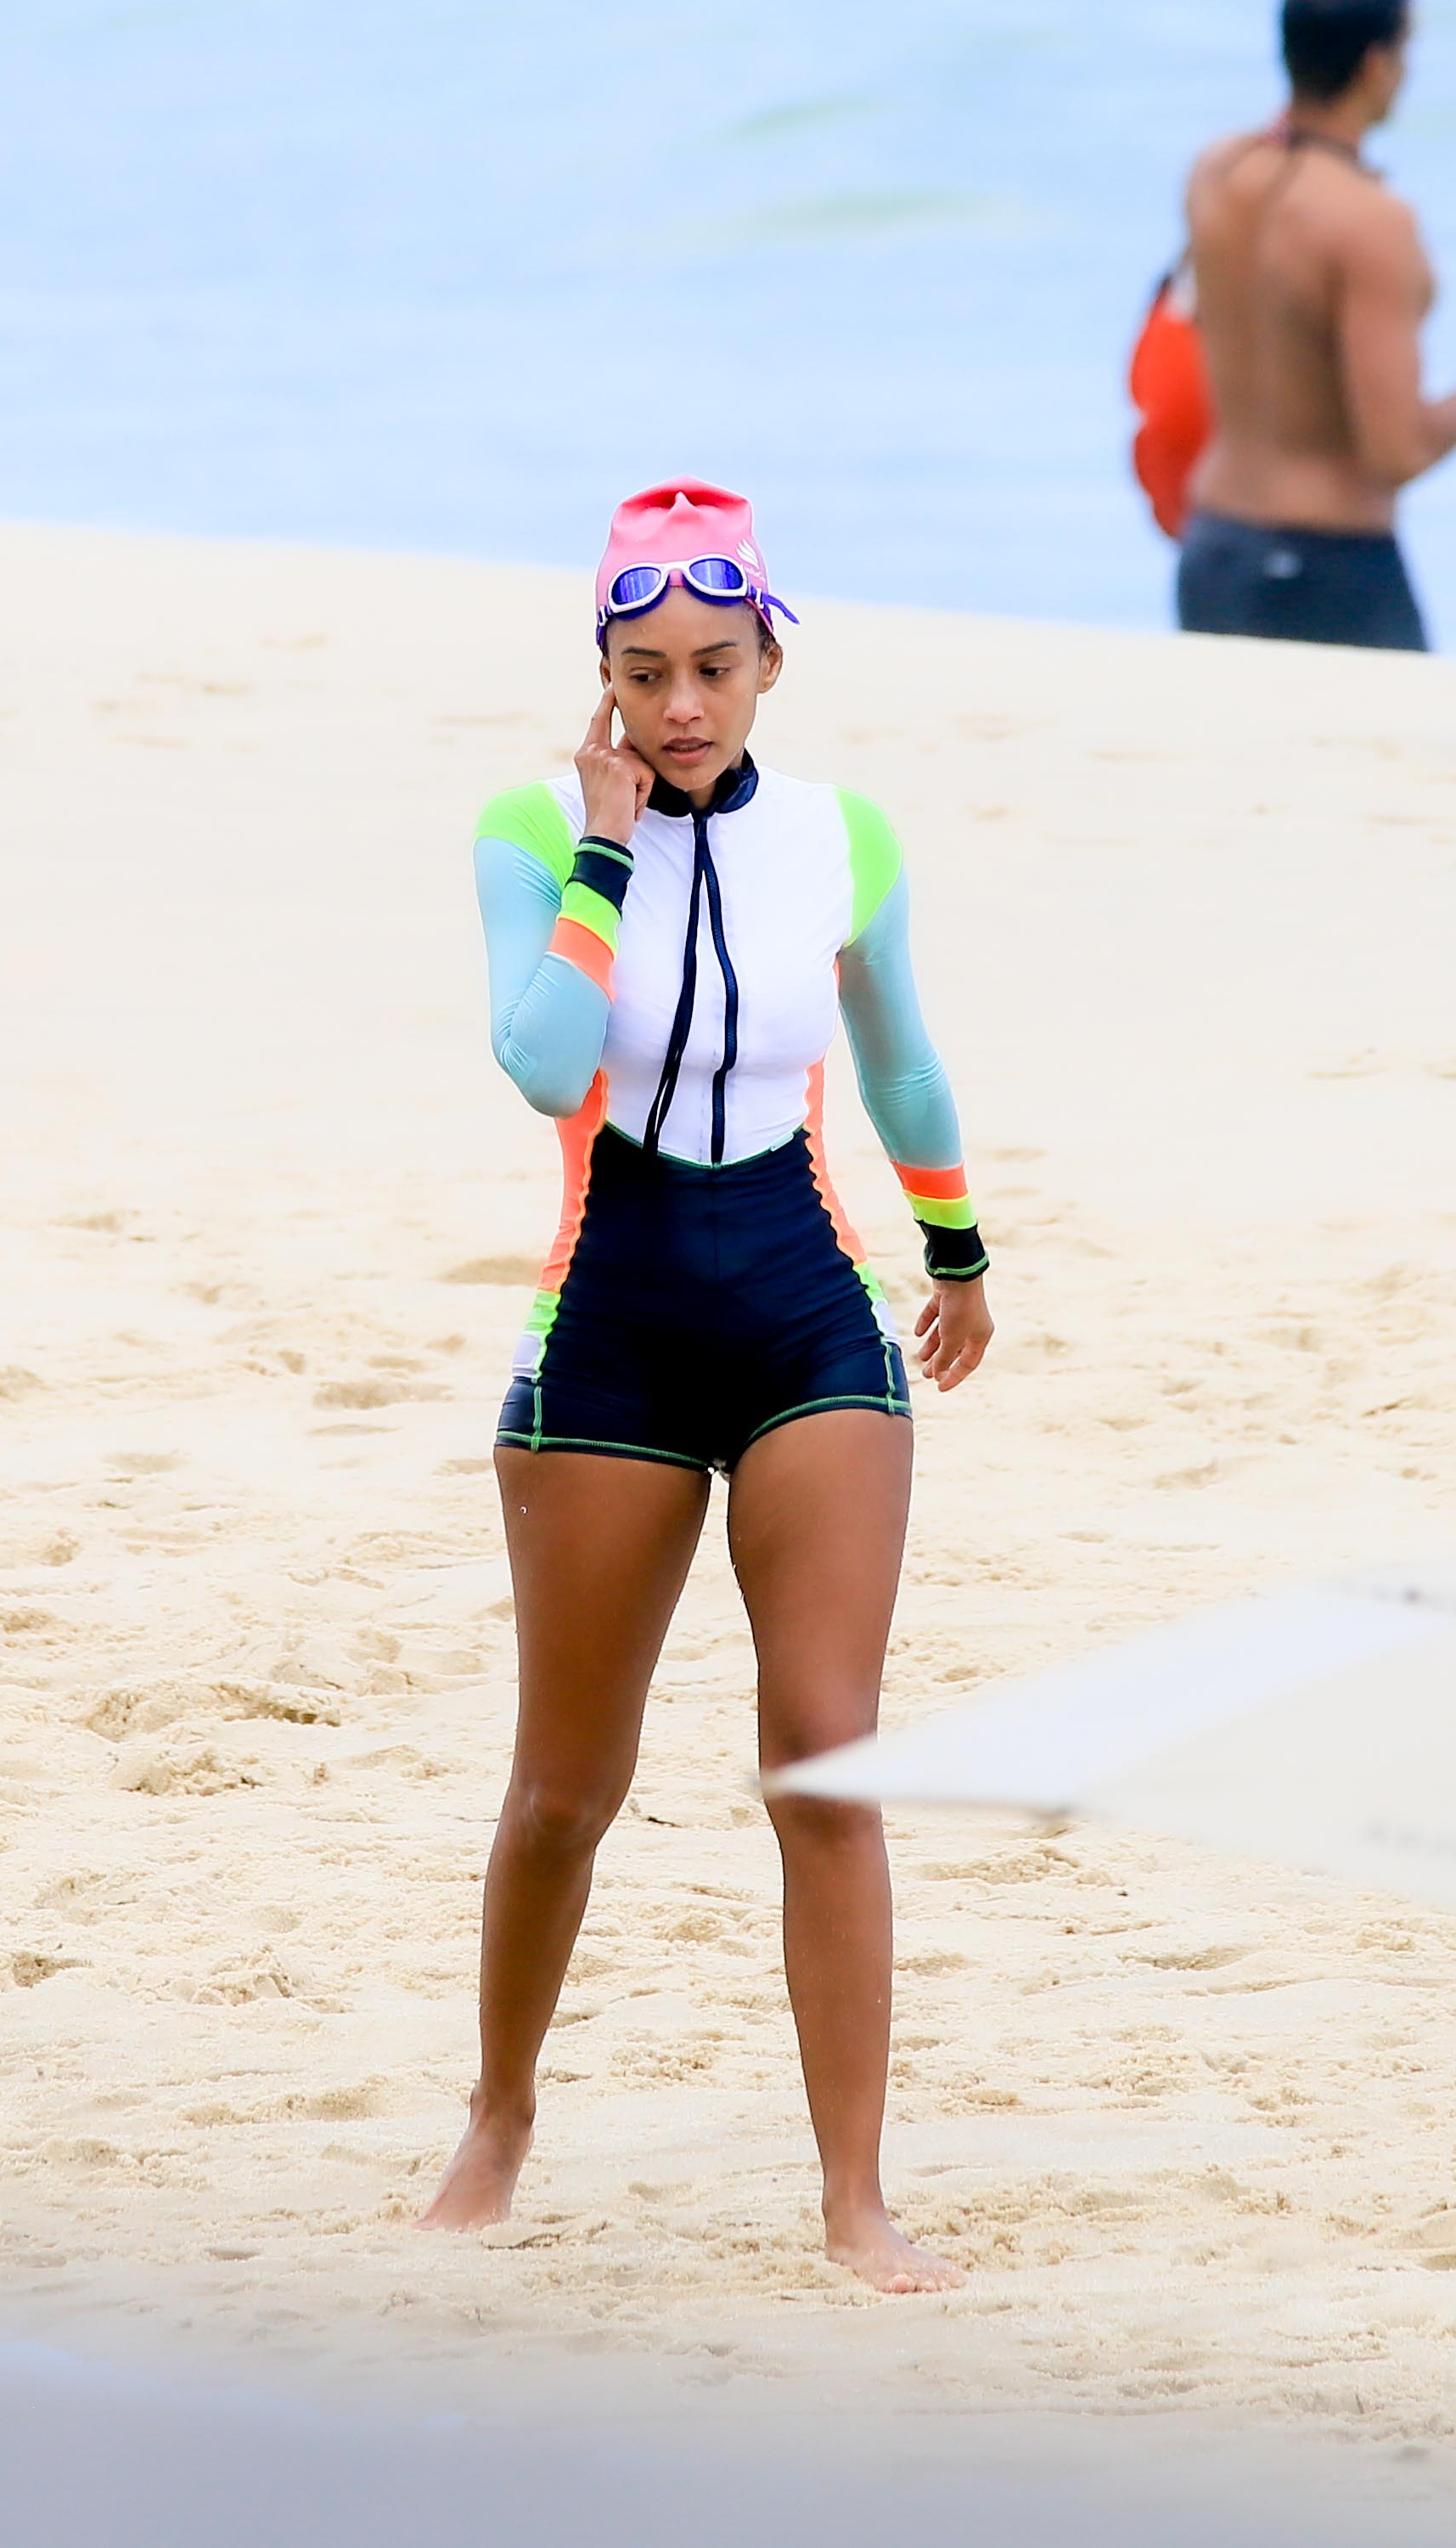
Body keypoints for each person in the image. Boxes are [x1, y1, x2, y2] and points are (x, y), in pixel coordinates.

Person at [419, 480, 996, 2295]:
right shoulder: (527, 824)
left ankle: (853, 2192)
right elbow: (538, 1059)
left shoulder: (841, 837)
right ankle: (499, 2110)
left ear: (768, 664)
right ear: (601, 668)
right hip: (606, 1330)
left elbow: (896, 1056)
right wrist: (601, 848)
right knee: (563, 1790)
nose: (682, 704)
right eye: (647, 669)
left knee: (824, 1756)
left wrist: (957, 1242)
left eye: (716, 668)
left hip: (804, 1312)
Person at [1173, 0, 1456, 650]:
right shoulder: (1369, 221)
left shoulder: (1215, 171)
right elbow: (1395, 454)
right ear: (1378, 63)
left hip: (1213, 549)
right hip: (1328, 569)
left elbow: (1199, 318)